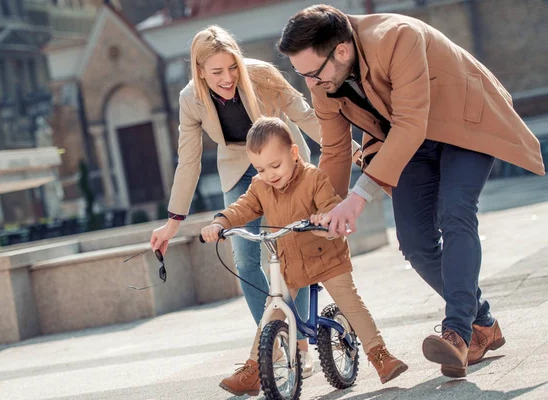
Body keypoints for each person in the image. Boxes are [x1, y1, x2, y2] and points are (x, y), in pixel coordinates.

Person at [278, 5, 545, 378]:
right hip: (406, 142)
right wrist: (324, 209)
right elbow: (336, 150)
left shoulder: (397, 37)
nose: (309, 84)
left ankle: (457, 333)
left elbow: (410, 122)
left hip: (463, 124)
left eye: (312, 73)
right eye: (300, 74)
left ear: (341, 50)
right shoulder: (324, 79)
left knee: (455, 212)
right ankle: (483, 323)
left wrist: (357, 200)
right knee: (416, 242)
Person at [149, 25, 360, 396]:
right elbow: (189, 161)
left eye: (232, 68)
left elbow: (305, 114)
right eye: (217, 72)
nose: (228, 78)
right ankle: (279, 345)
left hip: (285, 165)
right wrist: (172, 222)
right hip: (238, 169)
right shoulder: (190, 100)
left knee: (295, 248)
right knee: (245, 260)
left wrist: (351, 149)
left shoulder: (260, 74)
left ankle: (301, 341)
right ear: (199, 71)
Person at [201, 117, 408, 391]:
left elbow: (332, 207)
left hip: (327, 257)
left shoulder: (314, 178)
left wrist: (325, 221)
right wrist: (221, 222)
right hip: (290, 264)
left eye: (275, 165)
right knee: (272, 311)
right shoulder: (260, 186)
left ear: (294, 153)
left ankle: (379, 355)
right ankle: (254, 370)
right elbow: (243, 207)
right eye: (261, 168)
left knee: (349, 302)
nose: (270, 174)